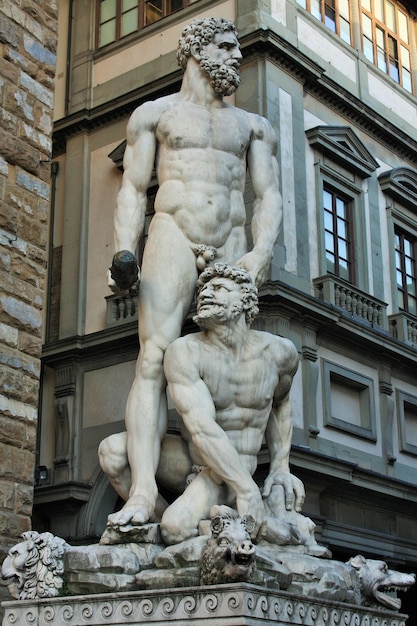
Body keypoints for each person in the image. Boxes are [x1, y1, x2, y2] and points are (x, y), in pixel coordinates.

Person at [106, 16, 282, 528]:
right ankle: (141, 493)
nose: (236, 57)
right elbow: (134, 190)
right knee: (153, 359)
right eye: (227, 47)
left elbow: (269, 195)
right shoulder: (154, 115)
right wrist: (124, 253)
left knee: (229, 363)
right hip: (173, 234)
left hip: (230, 241)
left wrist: (259, 254)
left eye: (237, 49)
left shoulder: (253, 126)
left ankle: (229, 481)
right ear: (197, 50)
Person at [160, 263, 304, 544]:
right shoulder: (185, 351)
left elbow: (281, 404)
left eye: (220, 288)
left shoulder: (279, 353)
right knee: (113, 452)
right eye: (204, 290)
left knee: (174, 528)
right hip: (195, 458)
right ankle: (210, 523)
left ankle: (207, 521)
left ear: (245, 301)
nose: (206, 294)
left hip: (227, 469)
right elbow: (201, 428)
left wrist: (280, 467)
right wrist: (248, 491)